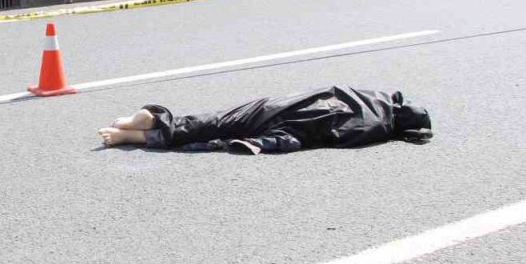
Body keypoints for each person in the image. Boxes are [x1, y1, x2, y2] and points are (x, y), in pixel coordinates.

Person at [98, 86, 432, 153]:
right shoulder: (376, 127)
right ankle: (144, 133)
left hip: (285, 104)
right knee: (218, 138)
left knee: (220, 119)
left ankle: (151, 121)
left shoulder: (375, 95)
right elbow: (326, 135)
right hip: (300, 123)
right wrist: (271, 143)